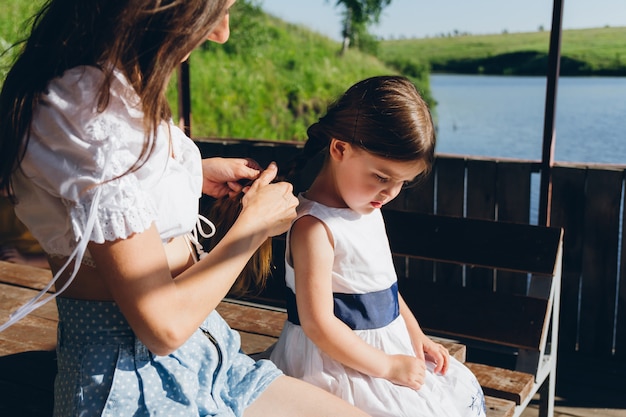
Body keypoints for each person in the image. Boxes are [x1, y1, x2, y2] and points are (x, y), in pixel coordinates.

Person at [0, 1, 372, 416]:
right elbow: (163, 325)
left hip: (208, 352)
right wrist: (253, 227)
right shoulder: (91, 114)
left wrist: (193, 174)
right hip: (133, 381)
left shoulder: (115, 84)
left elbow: (107, 197)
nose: (221, 32)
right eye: (215, 11)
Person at [269, 75, 487, 417]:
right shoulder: (314, 227)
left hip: (387, 353)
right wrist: (386, 367)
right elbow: (318, 324)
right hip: (337, 365)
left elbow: (385, 290)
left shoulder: (367, 207)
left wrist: (417, 337)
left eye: (402, 183)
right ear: (340, 148)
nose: (390, 193)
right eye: (382, 177)